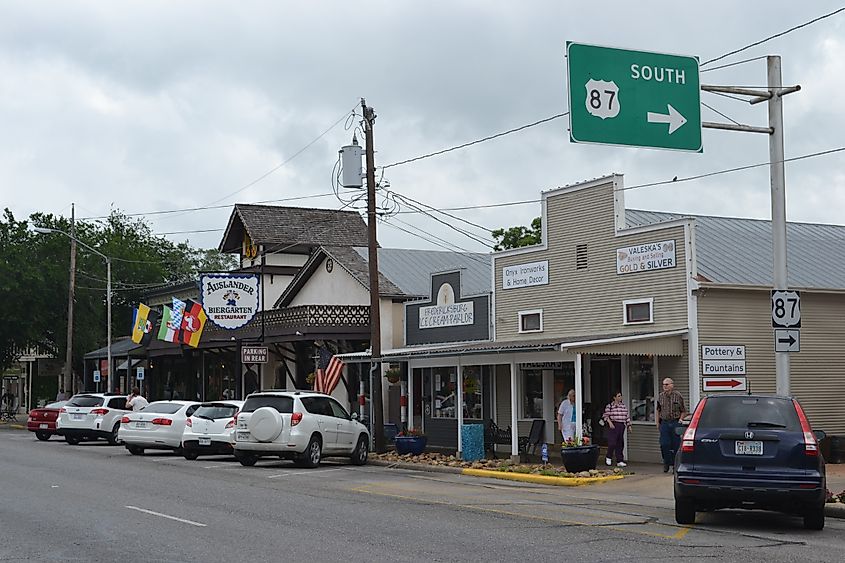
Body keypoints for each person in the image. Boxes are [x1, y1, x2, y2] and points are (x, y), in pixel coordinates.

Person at [656, 377, 686, 473]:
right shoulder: (660, 396)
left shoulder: (678, 396)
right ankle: (666, 462)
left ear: (672, 385)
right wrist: (657, 422)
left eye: (666, 384)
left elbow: (683, 411)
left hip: (675, 422)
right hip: (664, 422)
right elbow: (658, 410)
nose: (664, 386)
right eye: (663, 384)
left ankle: (675, 465)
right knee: (664, 444)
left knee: (676, 445)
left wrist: (680, 420)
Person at [603, 391, 632, 467]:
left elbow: (627, 416)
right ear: (614, 397)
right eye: (618, 396)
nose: (620, 397)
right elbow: (605, 416)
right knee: (612, 442)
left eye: (621, 396)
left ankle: (619, 460)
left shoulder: (623, 406)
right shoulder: (610, 406)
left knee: (620, 443)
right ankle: (608, 457)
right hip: (613, 424)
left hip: (621, 425)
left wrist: (629, 425)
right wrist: (610, 423)